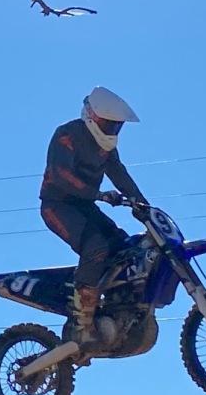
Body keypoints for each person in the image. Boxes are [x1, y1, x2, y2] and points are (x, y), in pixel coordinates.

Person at [39, 86, 151, 347]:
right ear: (92, 116)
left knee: (123, 246)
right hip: (57, 205)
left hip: (85, 206)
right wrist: (99, 195)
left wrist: (142, 204)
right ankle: (82, 322)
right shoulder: (67, 134)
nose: (111, 129)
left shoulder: (106, 148)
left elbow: (118, 172)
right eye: (107, 123)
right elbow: (60, 176)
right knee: (96, 247)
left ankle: (113, 306)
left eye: (116, 125)